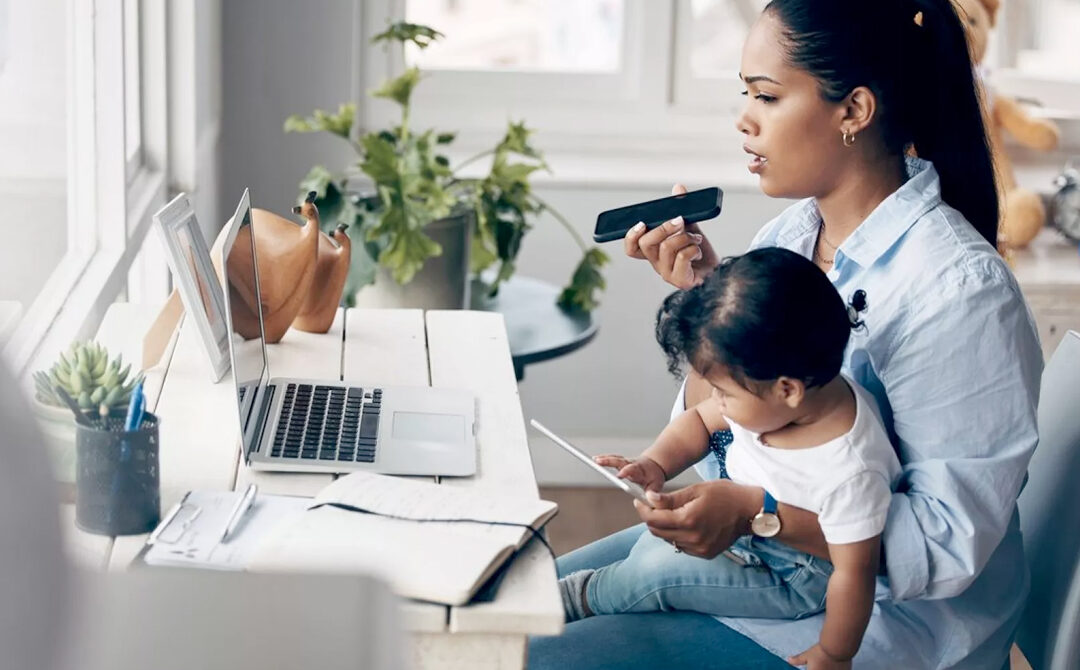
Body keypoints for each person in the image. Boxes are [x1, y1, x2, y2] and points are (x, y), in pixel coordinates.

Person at [529, 0, 1042, 668]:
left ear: (854, 110)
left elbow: (942, 548)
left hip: (871, 629)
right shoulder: (792, 238)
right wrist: (713, 308)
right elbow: (733, 423)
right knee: (511, 603)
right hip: (762, 566)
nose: (744, 118)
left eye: (767, 96)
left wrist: (755, 514)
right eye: (745, 93)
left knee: (525, 654)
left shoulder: (960, 295)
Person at [559, 248, 901, 670]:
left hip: (792, 574)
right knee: (657, 543)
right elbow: (699, 422)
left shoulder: (849, 468)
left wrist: (835, 652)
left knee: (655, 574)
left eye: (723, 393)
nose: (713, 398)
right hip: (747, 530)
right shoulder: (779, 392)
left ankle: (583, 597)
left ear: (787, 389)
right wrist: (654, 464)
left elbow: (855, 573)